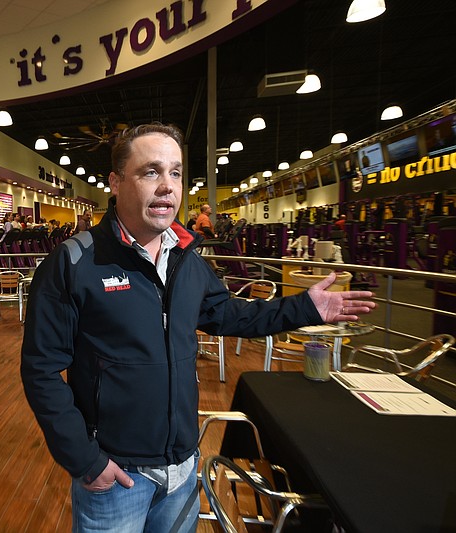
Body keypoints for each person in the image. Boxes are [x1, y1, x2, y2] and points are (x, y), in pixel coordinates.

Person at [20, 123, 375, 533]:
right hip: (116, 474)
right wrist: (85, 459)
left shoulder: (187, 259)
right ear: (115, 183)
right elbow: (41, 370)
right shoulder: (74, 263)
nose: (167, 186)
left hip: (183, 466)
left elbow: (231, 315)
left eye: (175, 173)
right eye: (151, 171)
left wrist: (305, 307)